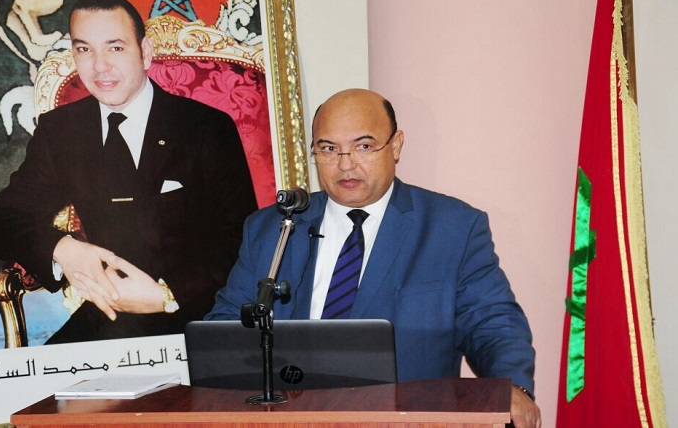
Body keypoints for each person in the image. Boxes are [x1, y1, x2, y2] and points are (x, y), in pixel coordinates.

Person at [206, 88, 542, 427]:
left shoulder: (452, 228)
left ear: (395, 146)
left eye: (363, 146)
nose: (345, 164)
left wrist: (512, 386)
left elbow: (492, 324)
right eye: (328, 149)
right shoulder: (273, 228)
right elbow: (225, 328)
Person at [0, 0, 257, 344]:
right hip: (107, 317)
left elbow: (244, 241)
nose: (100, 67)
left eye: (115, 48)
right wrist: (62, 248)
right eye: (84, 49)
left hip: (199, 314)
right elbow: (1, 224)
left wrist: (167, 296)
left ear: (145, 52)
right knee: (35, 380)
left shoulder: (205, 127)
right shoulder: (62, 131)